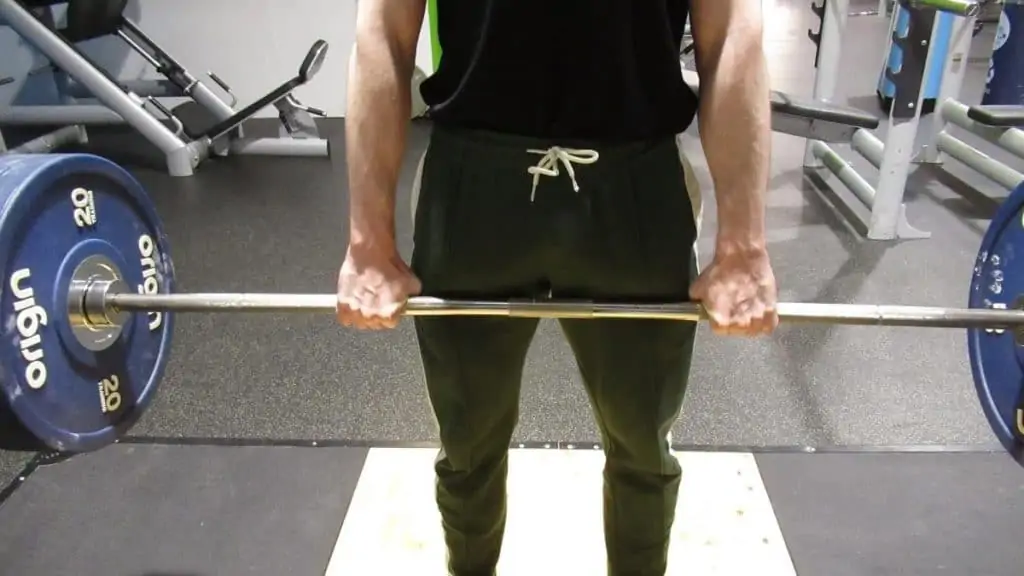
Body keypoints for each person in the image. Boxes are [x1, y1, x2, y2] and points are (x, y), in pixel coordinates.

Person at [337, 0, 779, 574]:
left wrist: (743, 246)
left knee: (643, 441)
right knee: (467, 441)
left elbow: (733, 36)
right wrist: (369, 241)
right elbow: (383, 32)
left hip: (632, 188)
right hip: (474, 187)